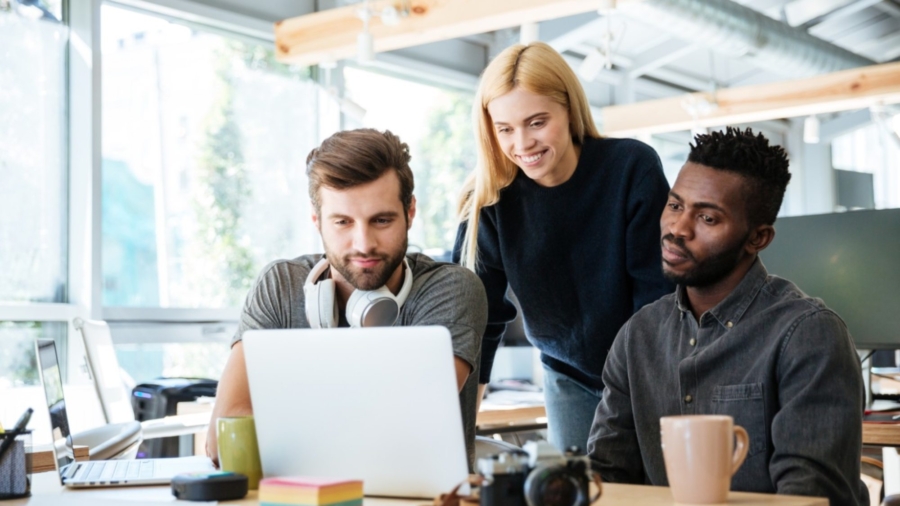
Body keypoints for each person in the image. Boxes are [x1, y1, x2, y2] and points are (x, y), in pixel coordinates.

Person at [587, 127, 868, 505]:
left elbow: (811, 497)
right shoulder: (638, 335)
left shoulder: (808, 335)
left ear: (758, 238)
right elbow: (607, 476)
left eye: (707, 218)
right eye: (674, 205)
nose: (677, 229)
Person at [207, 128, 487, 468]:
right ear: (317, 221)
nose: (363, 243)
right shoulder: (279, 286)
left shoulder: (451, 289)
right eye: (342, 222)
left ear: (410, 213)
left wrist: (281, 421)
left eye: (381, 220)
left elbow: (404, 435)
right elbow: (226, 439)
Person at [453, 42, 673, 452]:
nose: (522, 143)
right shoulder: (487, 200)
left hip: (647, 369)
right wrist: (457, 433)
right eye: (505, 129)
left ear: (568, 108)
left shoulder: (630, 167)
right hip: (567, 375)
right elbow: (476, 321)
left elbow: (657, 300)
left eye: (536, 122)